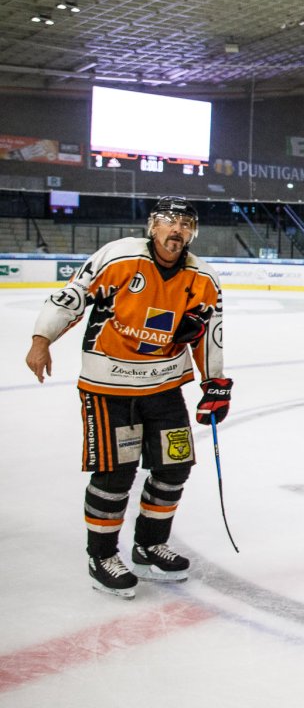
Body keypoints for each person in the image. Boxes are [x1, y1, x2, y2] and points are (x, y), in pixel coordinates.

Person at [25, 196, 232, 599]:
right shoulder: (118, 257)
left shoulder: (203, 278)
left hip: (164, 386)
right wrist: (41, 338)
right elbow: (74, 296)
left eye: (185, 224)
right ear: (153, 226)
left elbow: (210, 332)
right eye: (169, 221)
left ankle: (149, 545)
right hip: (108, 387)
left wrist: (215, 384)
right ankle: (101, 555)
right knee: (115, 474)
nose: (177, 230)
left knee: (174, 467)